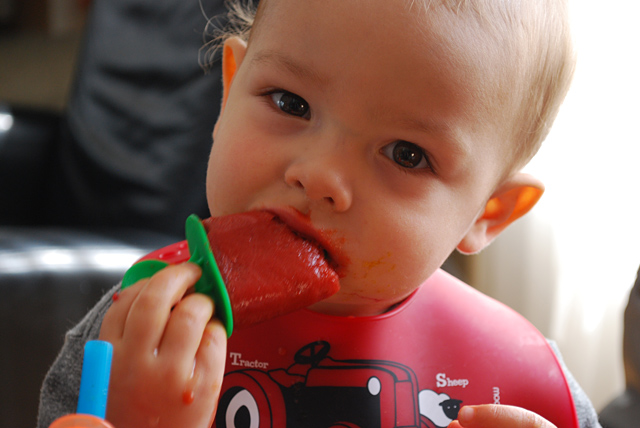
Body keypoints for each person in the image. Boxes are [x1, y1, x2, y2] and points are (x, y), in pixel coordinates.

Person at [37, 0, 602, 427]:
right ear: (229, 92)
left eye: (407, 154)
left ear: (490, 213)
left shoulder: (521, 380)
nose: (319, 175)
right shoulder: (132, 337)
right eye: (291, 102)